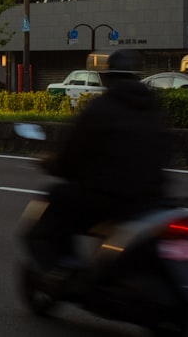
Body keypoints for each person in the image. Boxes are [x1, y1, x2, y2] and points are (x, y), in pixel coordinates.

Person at [25, 49, 171, 279]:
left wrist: (53, 165)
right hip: (153, 198)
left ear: (108, 77)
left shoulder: (101, 108)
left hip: (110, 196)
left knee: (59, 198)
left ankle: (67, 266)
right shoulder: (152, 108)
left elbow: (72, 153)